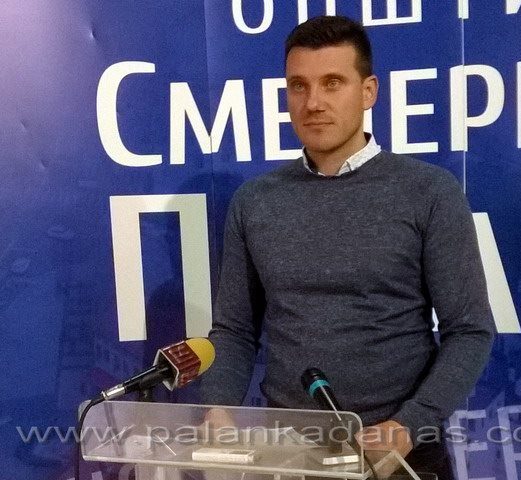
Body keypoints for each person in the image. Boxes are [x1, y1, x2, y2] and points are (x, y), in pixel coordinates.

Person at [200, 15, 495, 479]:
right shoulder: (254, 202)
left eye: (332, 83)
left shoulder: (429, 192)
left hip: (401, 454)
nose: (313, 102)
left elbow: (470, 330)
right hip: (288, 454)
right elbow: (235, 331)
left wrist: (409, 425)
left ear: (368, 91)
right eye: (298, 86)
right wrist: (218, 408)